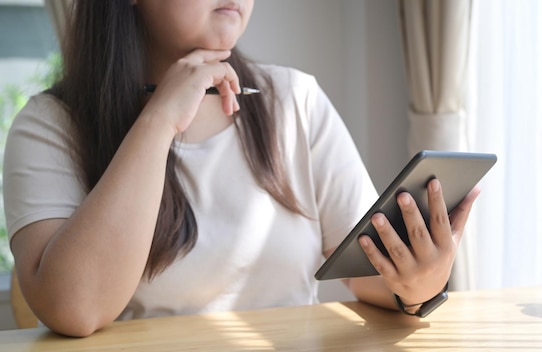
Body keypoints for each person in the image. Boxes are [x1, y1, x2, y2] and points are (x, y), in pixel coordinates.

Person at [4, 0, 479, 337]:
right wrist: (158, 121)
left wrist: (418, 283)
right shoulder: (51, 126)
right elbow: (75, 308)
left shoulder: (295, 100)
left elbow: (367, 271)